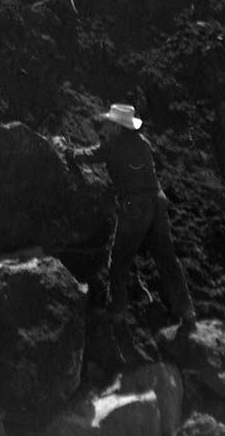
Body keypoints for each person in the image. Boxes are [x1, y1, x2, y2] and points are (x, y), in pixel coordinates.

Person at [64, 103, 196, 337]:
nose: (105, 126)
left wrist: (70, 153)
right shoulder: (143, 143)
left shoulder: (112, 145)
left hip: (135, 208)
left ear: (116, 126)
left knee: (120, 260)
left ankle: (116, 314)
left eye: (109, 124)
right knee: (167, 259)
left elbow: (90, 155)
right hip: (157, 204)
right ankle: (186, 312)